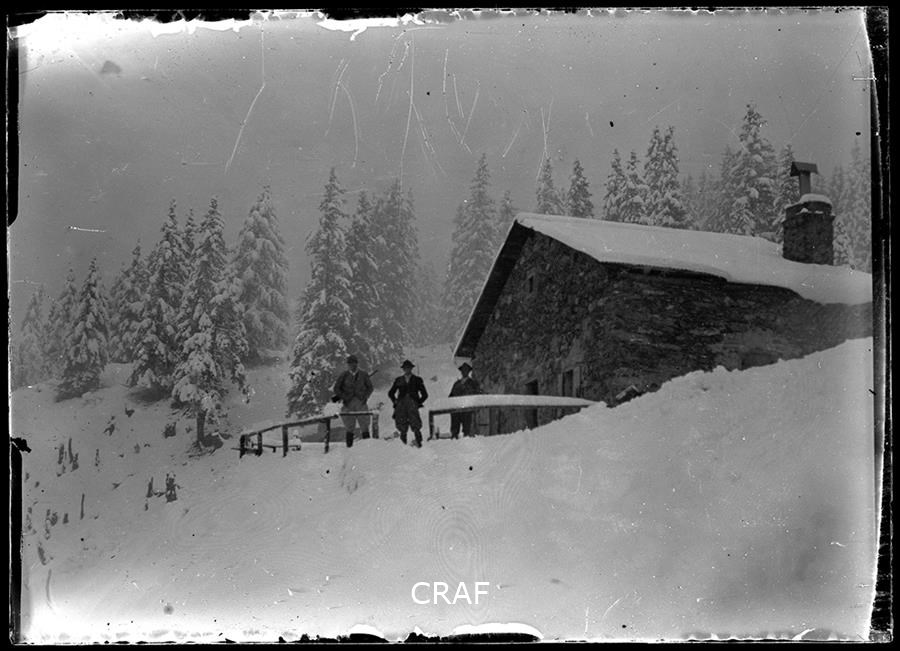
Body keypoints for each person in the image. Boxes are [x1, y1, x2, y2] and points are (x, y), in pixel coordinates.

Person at [331, 354, 373, 448]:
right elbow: (336, 388)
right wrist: (344, 397)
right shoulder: (343, 375)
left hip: (361, 403)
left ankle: (368, 449)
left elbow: (370, 388)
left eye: (354, 363)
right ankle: (349, 448)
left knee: (364, 425)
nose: (352, 365)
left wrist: (365, 397)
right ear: (348, 365)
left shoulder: (363, 374)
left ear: (357, 364)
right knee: (349, 427)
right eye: (350, 363)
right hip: (348, 404)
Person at [388, 359, 428, 447]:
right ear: (403, 369)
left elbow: (425, 394)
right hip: (401, 406)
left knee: (416, 424)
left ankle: (420, 445)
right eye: (405, 368)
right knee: (402, 426)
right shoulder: (399, 380)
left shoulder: (417, 380)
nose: (407, 369)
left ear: (411, 368)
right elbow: (391, 393)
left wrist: (418, 403)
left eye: (408, 368)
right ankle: (403, 447)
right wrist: (396, 402)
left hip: (412, 405)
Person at [448, 362, 482, 439]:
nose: (464, 372)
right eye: (463, 370)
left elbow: (477, 394)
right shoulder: (456, 384)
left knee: (467, 429)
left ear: (468, 372)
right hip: (456, 410)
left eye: (466, 370)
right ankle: (454, 440)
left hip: (467, 410)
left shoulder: (473, 383)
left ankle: (466, 440)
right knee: (455, 429)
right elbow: (451, 396)